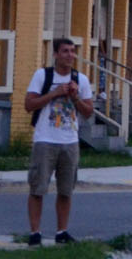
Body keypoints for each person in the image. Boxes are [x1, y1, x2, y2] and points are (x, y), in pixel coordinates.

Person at [24, 37, 94, 246]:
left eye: (72, 51)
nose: (70, 55)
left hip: (70, 140)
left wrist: (74, 97)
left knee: (66, 190)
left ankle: (61, 231)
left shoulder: (80, 79)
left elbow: (88, 112)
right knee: (38, 187)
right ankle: (35, 232)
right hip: (45, 139)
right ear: (55, 54)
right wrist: (54, 93)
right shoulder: (42, 76)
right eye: (65, 51)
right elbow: (29, 104)